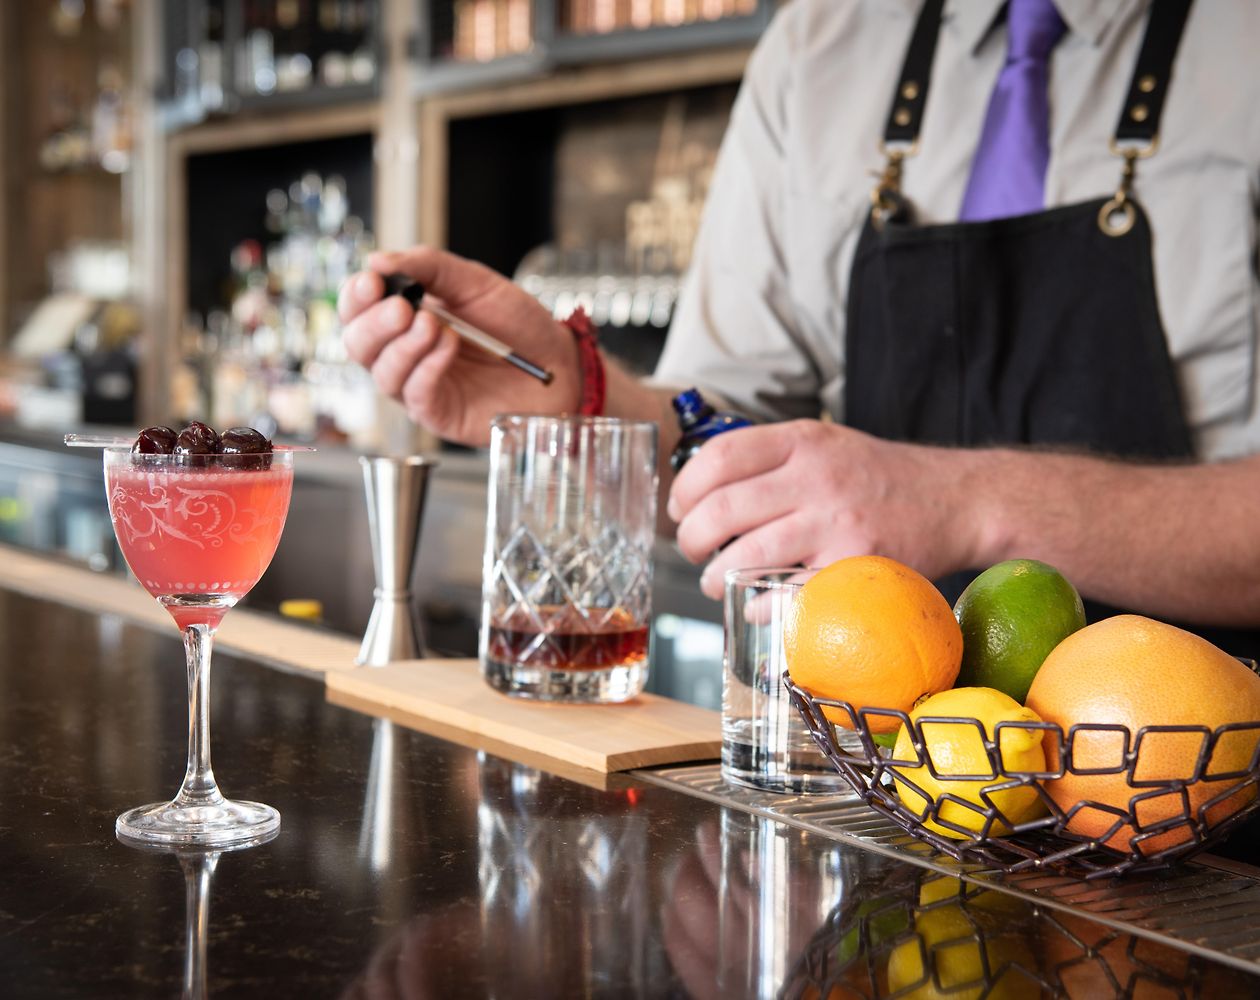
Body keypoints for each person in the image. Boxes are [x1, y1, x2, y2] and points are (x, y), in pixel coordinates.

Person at [340, 0, 1260, 650]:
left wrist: (968, 503)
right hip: (877, 791)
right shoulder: (823, 46)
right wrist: (581, 400)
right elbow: (728, 457)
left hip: (1206, 808)